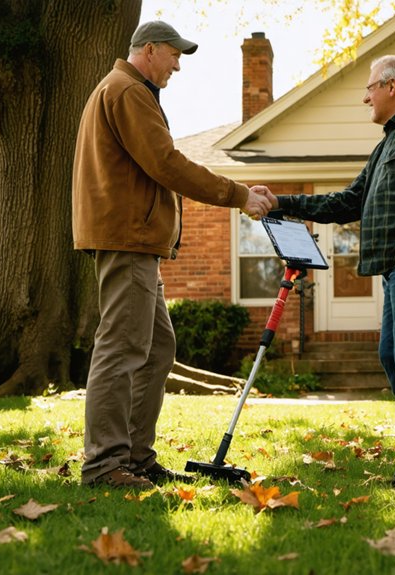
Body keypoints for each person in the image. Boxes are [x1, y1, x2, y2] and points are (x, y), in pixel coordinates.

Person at [72, 20, 272, 489]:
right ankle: (104, 464)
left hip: (135, 240)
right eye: (175, 54)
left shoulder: (124, 90)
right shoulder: (127, 91)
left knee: (158, 348)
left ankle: (136, 457)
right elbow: (165, 163)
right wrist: (237, 194)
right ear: (150, 50)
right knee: (121, 348)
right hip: (128, 240)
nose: (179, 65)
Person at [269, 55, 395, 489]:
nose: (366, 97)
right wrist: (283, 203)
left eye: (370, 88)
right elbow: (346, 202)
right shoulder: (387, 144)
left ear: (392, 85)